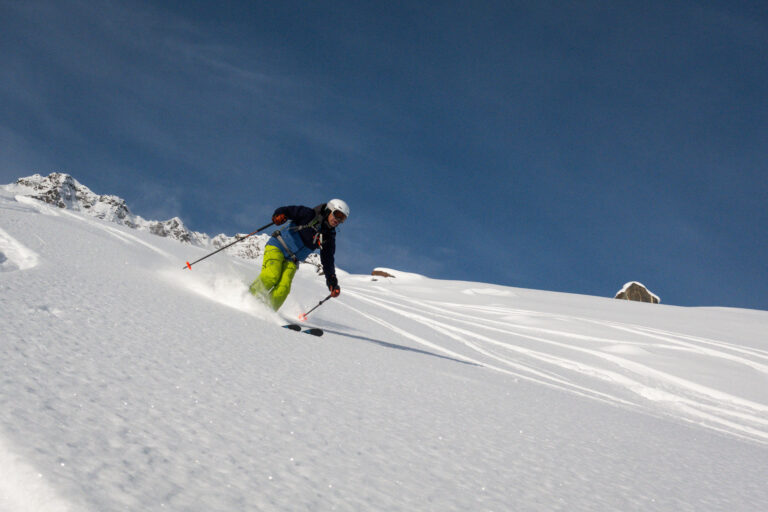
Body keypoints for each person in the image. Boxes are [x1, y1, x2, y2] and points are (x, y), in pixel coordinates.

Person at [250, 199, 349, 311]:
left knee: (284, 288)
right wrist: (279, 215)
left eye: (342, 218)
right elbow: (287, 210)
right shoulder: (309, 215)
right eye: (337, 214)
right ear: (328, 210)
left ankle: (265, 311)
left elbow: (328, 260)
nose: (338, 220)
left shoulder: (328, 237)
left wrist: (332, 282)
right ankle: (248, 298)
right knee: (272, 275)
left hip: (292, 260)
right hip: (278, 246)